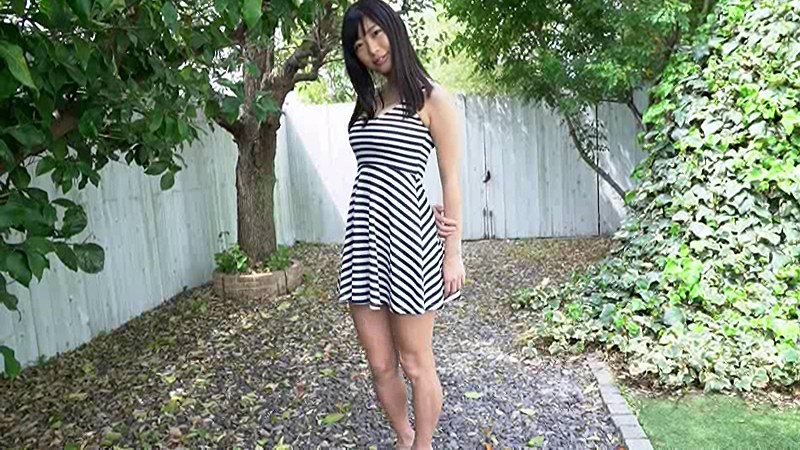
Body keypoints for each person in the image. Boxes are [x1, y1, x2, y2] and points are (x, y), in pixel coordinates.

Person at [335, 1, 465, 449]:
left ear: (393, 29)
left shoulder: (432, 99)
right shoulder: (368, 102)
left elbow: (450, 179)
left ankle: (424, 444)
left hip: (409, 243)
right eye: (359, 44)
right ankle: (405, 437)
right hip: (362, 243)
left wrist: (453, 253)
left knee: (415, 362)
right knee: (380, 364)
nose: (372, 49)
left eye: (376, 33)